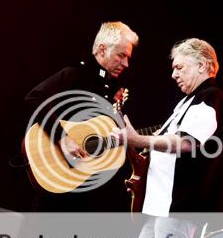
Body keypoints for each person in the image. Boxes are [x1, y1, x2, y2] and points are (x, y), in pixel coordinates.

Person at [117, 38, 223, 238]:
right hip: (161, 205)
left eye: (180, 67)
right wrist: (130, 141)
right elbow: (166, 140)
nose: (174, 74)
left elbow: (186, 143)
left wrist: (137, 140)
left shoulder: (211, 97)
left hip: (180, 204)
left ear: (203, 65)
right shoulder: (190, 101)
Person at [24, 21, 139, 212]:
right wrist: (62, 138)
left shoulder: (111, 87)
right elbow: (34, 99)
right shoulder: (76, 74)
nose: (126, 64)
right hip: (58, 178)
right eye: (121, 55)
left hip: (86, 187)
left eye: (128, 58)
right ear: (102, 50)